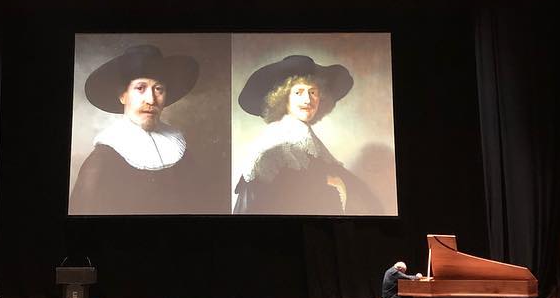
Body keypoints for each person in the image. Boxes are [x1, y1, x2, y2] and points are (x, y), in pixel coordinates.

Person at [232, 54, 380, 215]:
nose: (308, 100)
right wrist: (328, 182)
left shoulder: (306, 137)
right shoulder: (277, 136)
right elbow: (274, 198)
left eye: (313, 92)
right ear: (282, 98)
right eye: (298, 92)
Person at [69, 44, 200, 214]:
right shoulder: (101, 161)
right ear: (123, 95)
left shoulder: (181, 153)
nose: (151, 99)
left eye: (158, 89)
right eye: (140, 88)